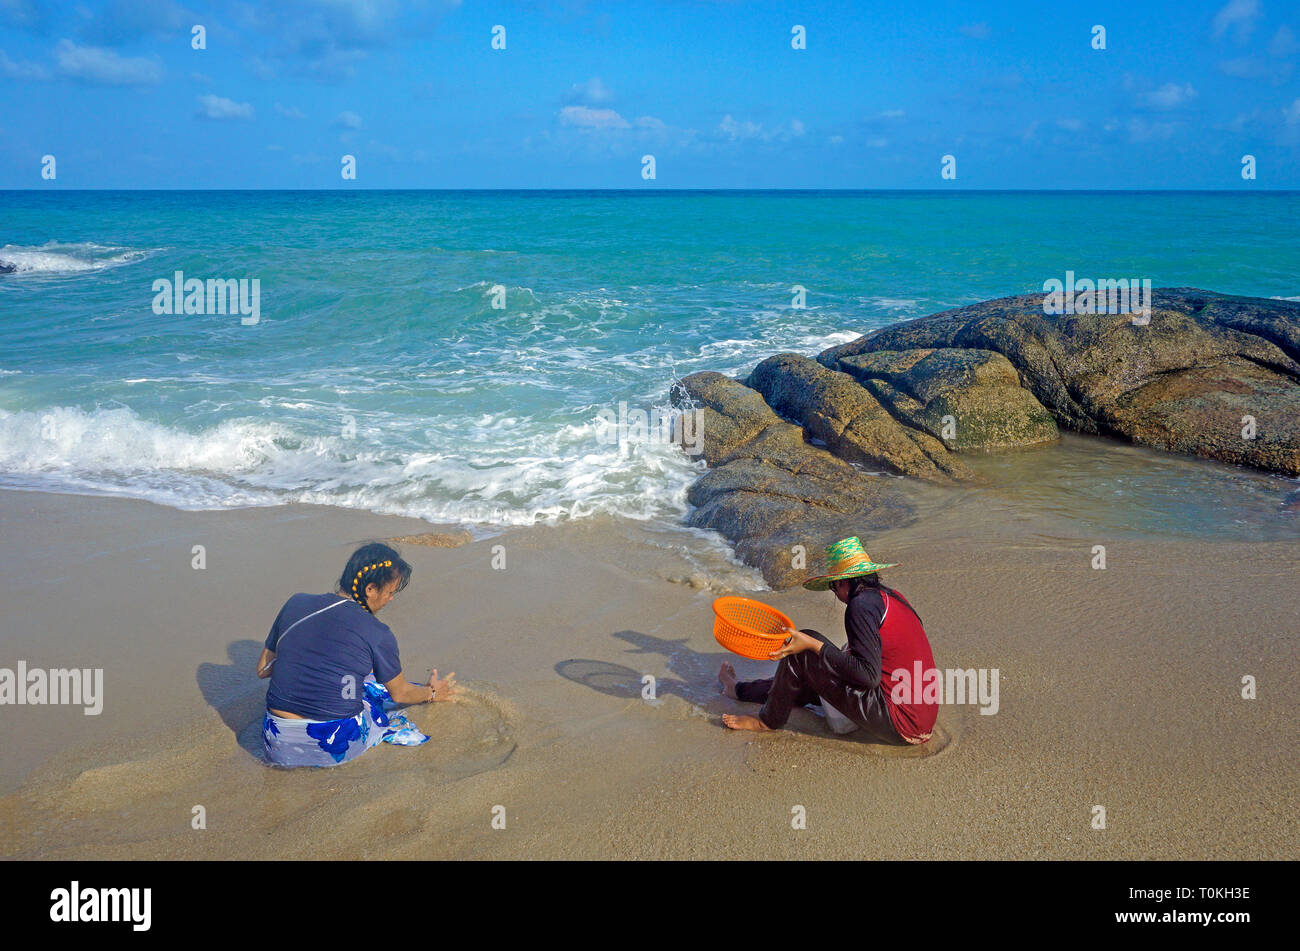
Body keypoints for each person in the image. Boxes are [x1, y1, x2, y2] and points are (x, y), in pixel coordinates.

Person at [256, 542, 458, 767]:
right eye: (390, 592)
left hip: (275, 741)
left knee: (357, 679)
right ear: (370, 589)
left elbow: (263, 670)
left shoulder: (296, 602)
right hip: (330, 745)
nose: (390, 599)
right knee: (372, 688)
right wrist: (431, 693)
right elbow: (401, 694)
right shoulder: (377, 632)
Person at [718, 536, 937, 744]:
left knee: (805, 648)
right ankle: (739, 689)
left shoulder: (859, 606)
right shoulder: (892, 598)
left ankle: (766, 721)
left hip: (899, 722)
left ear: (845, 583)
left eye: (834, 586)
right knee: (818, 664)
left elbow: (869, 677)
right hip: (921, 718)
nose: (836, 594)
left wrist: (815, 646)